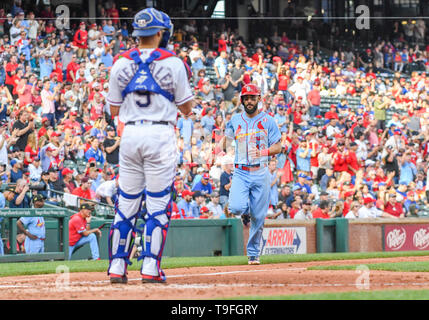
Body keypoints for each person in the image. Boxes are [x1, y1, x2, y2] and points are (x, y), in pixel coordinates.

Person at [106, 8, 193, 284]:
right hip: (160, 134)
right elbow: (187, 107)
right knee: (157, 205)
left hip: (130, 133)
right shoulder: (174, 62)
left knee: (126, 204)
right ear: (159, 33)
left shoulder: (120, 62)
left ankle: (117, 267)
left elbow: (112, 108)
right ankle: (150, 269)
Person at [221, 83, 281, 265]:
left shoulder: (268, 120)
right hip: (241, 171)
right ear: (242, 100)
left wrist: (263, 153)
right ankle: (245, 211)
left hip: (261, 171)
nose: (249, 101)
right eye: (246, 98)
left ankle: (253, 253)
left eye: (252, 97)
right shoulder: (236, 119)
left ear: (258, 99)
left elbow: (278, 146)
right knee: (236, 208)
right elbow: (227, 140)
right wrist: (220, 145)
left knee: (259, 217)